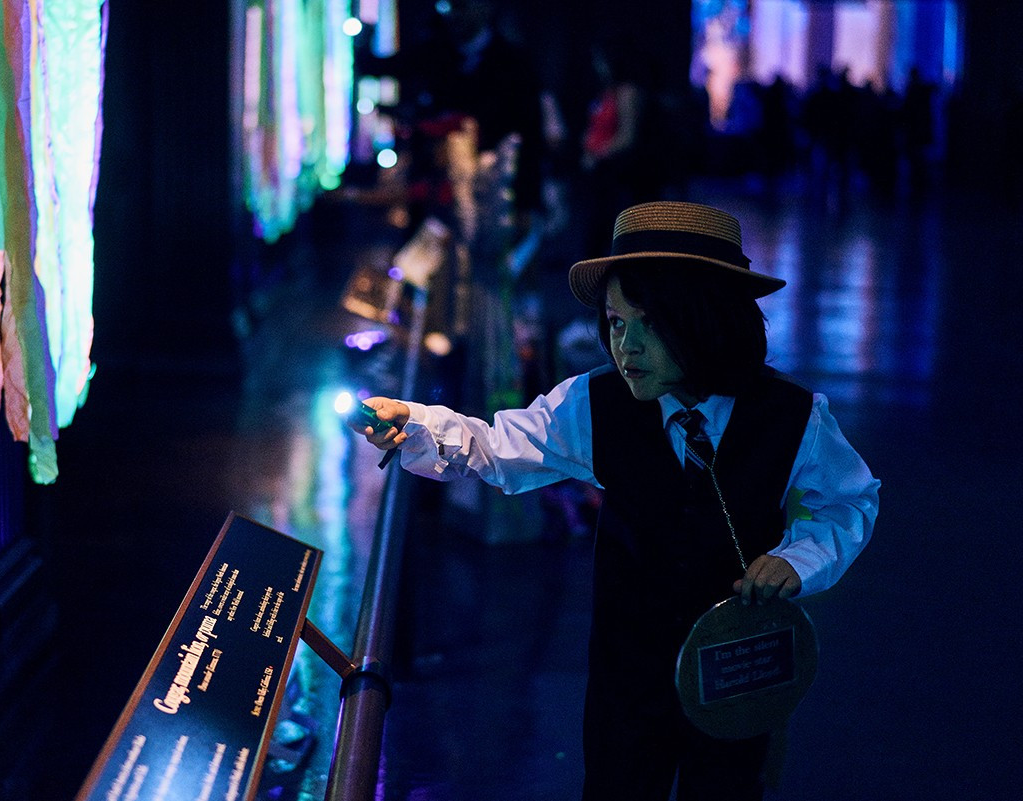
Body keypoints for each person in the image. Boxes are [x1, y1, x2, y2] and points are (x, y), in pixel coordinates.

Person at [350, 201, 880, 801]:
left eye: (649, 325)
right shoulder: (595, 403)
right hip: (626, 675)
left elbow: (846, 503)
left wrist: (798, 559)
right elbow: (499, 446)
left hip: (737, 668)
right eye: (616, 323)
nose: (626, 347)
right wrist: (417, 424)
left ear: (705, 320)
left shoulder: (792, 416)